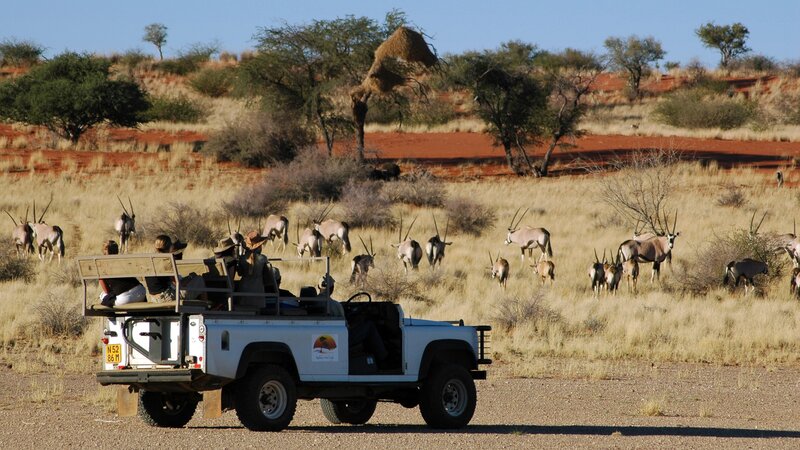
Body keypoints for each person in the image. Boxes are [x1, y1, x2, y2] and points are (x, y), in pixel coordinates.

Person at [322, 274, 388, 363]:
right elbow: (345, 326)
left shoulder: (315, 302)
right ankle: (384, 359)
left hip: (328, 336)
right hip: (341, 338)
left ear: (319, 287)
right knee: (369, 326)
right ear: (332, 288)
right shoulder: (335, 305)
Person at [99, 240, 146, 307]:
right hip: (141, 292)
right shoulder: (124, 262)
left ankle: (111, 317)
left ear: (103, 252)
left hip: (125, 299)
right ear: (117, 250)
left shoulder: (102, 267)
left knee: (103, 295)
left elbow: (107, 291)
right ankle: (130, 316)